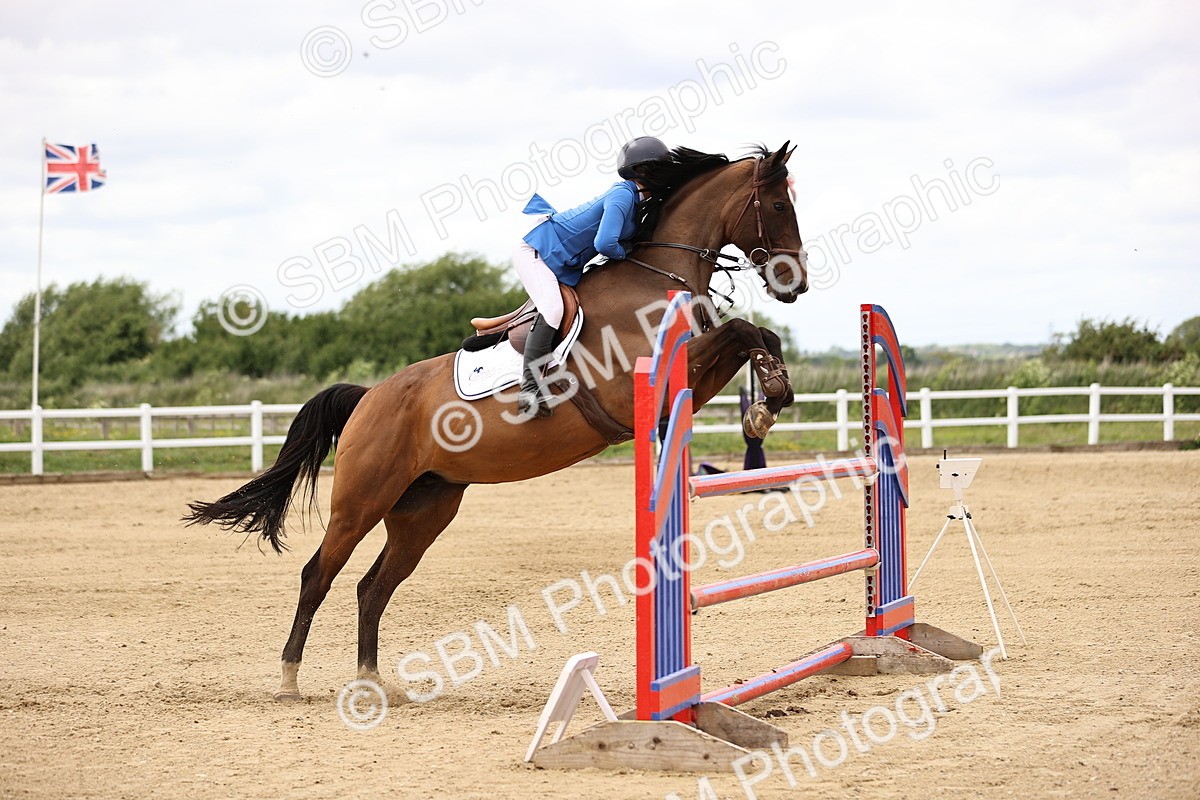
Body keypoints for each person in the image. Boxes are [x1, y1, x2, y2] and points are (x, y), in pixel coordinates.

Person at [512, 136, 671, 418]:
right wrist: (625, 251)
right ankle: (529, 392)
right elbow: (605, 243)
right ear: (643, 171)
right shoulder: (623, 194)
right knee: (553, 310)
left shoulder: (638, 202)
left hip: (563, 262)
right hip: (538, 251)